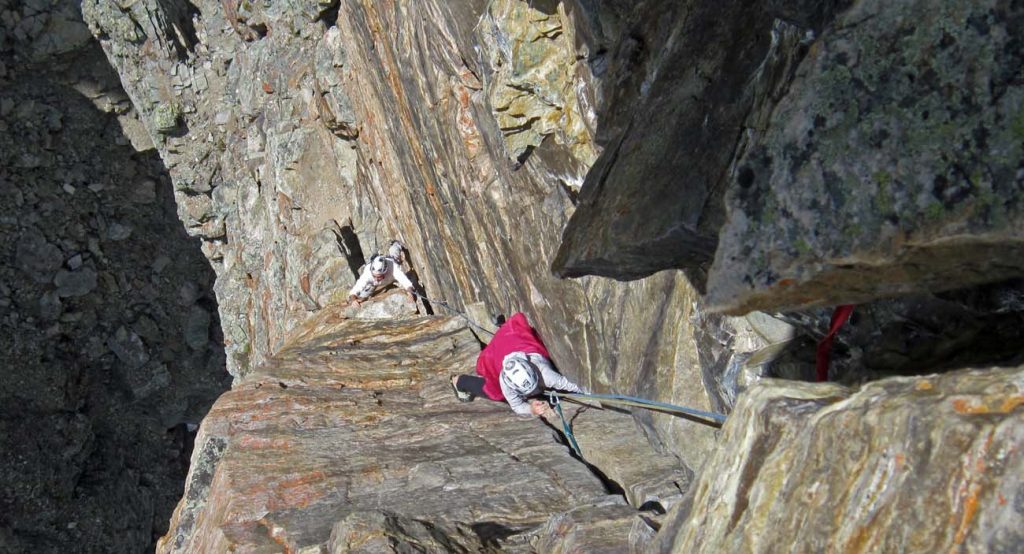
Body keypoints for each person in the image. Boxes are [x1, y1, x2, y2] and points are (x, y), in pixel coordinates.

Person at [451, 312, 584, 416]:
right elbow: (517, 406)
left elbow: (572, 385)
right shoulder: (504, 383)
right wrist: (531, 409)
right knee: (494, 392)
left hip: (512, 341)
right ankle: (459, 381)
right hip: (497, 354)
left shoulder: (545, 373)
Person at [348, 240, 415, 307]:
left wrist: (410, 294)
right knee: (362, 297)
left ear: (385, 272)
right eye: (374, 276)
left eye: (379, 277)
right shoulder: (367, 273)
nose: (377, 279)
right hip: (373, 284)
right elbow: (355, 290)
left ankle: (396, 244)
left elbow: (406, 282)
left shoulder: (393, 268)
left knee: (394, 250)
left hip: (392, 276)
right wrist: (354, 300)